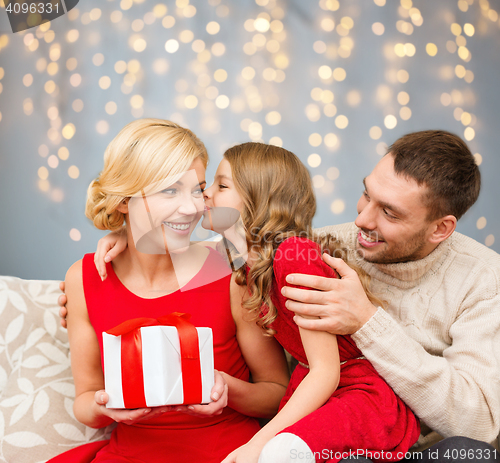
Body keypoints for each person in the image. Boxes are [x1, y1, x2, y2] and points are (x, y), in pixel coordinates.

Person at [72, 142, 421, 462]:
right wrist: (122, 232)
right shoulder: (244, 260)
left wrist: (258, 443)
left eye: (217, 187)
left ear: (257, 199)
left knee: (280, 451)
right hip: (317, 387)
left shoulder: (292, 255)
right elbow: (158, 236)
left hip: (353, 391)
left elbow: (325, 370)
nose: (202, 197)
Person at [50, 119, 289, 463]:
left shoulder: (231, 271)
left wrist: (224, 386)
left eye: (198, 189)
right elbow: (85, 402)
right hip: (130, 454)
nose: (192, 208)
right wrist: (109, 407)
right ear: (122, 200)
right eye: (170, 191)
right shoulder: (84, 278)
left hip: (227, 452)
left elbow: (277, 392)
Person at [277, 130, 500, 462]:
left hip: (426, 453)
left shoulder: (484, 278)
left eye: (390, 214)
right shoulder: (320, 248)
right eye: (366, 195)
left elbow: (478, 424)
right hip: (334, 441)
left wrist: (367, 322)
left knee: (469, 455)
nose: (362, 220)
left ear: (440, 228)